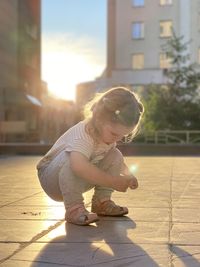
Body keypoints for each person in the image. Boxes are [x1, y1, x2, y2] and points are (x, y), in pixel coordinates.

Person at [37, 87, 144, 226]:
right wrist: (112, 181)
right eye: (113, 134)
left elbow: (116, 162)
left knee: (115, 155)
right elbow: (78, 166)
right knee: (75, 160)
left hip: (72, 180)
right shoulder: (84, 134)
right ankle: (74, 209)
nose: (115, 140)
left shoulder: (106, 138)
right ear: (99, 119)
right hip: (51, 179)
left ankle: (101, 202)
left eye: (121, 136)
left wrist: (128, 175)